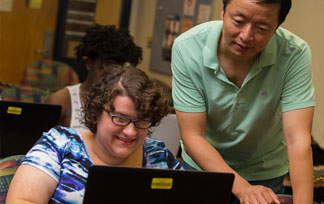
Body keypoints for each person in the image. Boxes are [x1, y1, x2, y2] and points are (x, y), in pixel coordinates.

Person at [171, 0, 314, 203]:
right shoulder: (188, 48)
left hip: (263, 169)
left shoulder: (294, 53)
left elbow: (297, 139)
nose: (246, 36)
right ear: (222, 10)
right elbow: (193, 136)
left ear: (277, 27)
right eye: (238, 21)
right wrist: (242, 188)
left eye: (262, 28)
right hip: (202, 166)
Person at [6, 64, 182, 204]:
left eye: (142, 121)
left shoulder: (158, 157)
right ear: (96, 112)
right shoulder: (60, 145)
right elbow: (22, 200)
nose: (130, 131)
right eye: (120, 118)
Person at [46, 24, 143, 132]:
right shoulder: (62, 100)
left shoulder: (125, 101)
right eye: (104, 67)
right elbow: (42, 145)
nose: (110, 75)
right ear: (89, 63)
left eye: (117, 69)